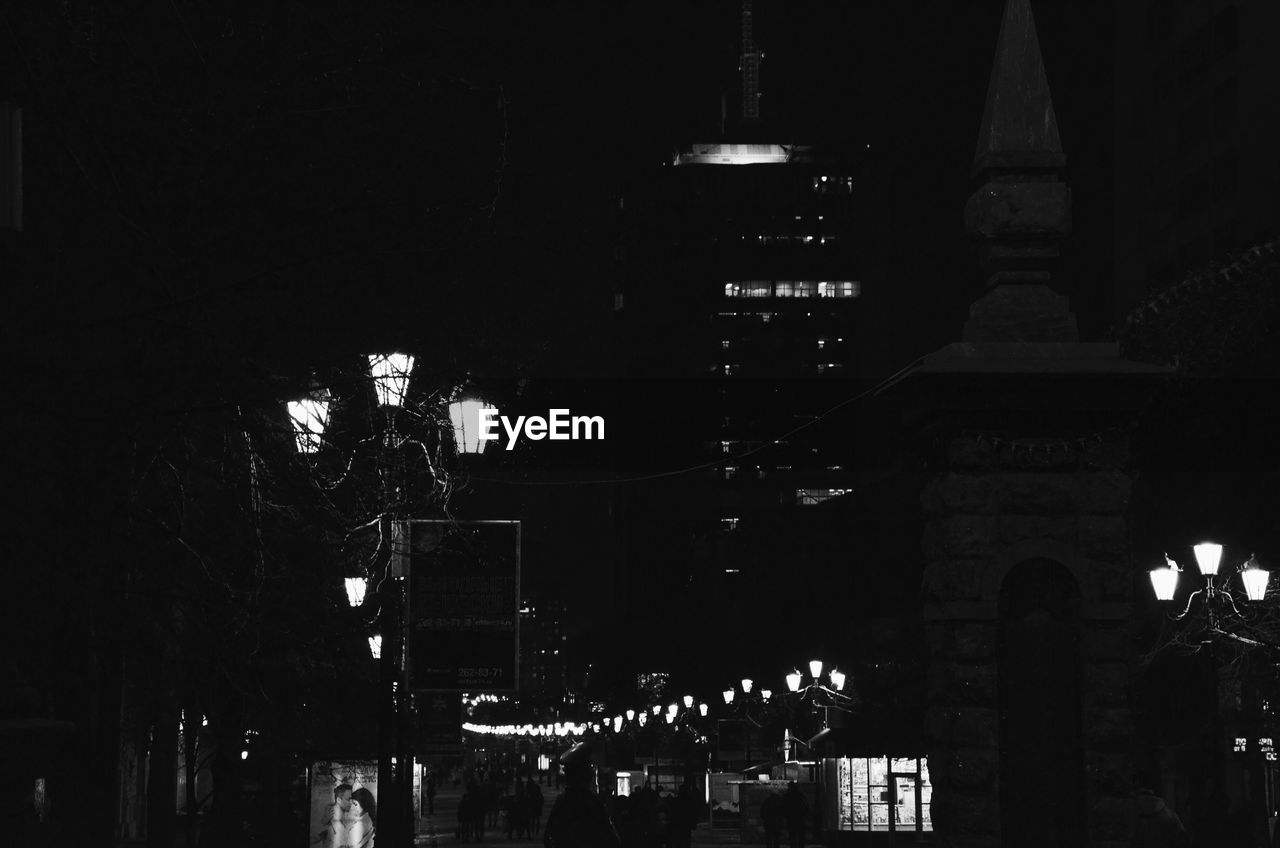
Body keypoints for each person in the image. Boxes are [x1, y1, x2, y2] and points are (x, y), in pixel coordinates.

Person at [543, 745, 622, 848]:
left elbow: (548, 837)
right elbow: (612, 840)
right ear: (585, 775)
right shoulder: (593, 803)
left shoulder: (562, 801)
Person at [667, 781, 698, 848]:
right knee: (686, 840)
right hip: (687, 824)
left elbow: (673, 813)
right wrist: (693, 823)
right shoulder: (689, 800)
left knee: (679, 840)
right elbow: (693, 812)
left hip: (679, 824)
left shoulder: (677, 800)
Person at [783, 782, 808, 848]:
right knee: (801, 836)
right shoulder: (800, 795)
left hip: (790, 818)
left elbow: (783, 807)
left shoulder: (786, 796)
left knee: (792, 836)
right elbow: (806, 806)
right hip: (800, 818)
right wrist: (804, 815)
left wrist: (786, 816)